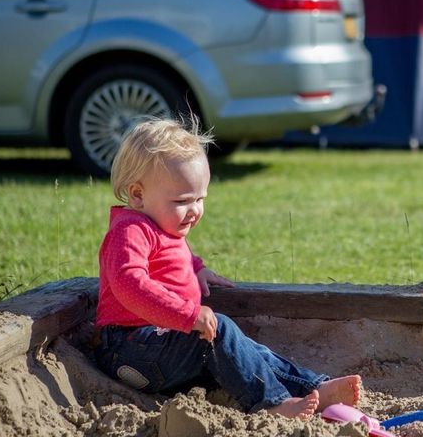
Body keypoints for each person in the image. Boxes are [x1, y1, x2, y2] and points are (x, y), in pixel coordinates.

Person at [93, 117, 361, 419]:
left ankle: (311, 387)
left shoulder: (160, 224)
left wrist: (196, 269)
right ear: (138, 195)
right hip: (129, 351)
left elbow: (170, 255)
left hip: (159, 346)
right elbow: (128, 283)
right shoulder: (129, 230)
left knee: (244, 348)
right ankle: (272, 403)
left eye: (200, 199)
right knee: (220, 331)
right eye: (182, 200)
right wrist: (188, 314)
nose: (195, 210)